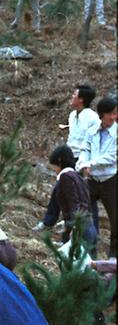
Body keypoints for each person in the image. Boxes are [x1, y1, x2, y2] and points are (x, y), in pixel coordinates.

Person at [34, 85, 100, 232]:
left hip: (84, 161)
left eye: (74, 95)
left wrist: (86, 164)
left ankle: (91, 233)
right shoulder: (72, 115)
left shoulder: (92, 118)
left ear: (81, 99)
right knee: (60, 190)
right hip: (70, 159)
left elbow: (92, 143)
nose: (71, 97)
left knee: (85, 197)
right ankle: (50, 222)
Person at [76, 97, 117, 257]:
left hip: (110, 180)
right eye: (110, 114)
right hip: (92, 180)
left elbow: (111, 157)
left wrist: (91, 163)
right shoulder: (92, 129)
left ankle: (113, 255)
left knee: (115, 219)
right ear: (101, 114)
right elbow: (85, 148)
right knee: (85, 214)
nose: (113, 117)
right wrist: (81, 163)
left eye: (115, 114)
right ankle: (88, 251)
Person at [43, 145, 97, 250]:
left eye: (54, 166)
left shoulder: (65, 177)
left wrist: (74, 225)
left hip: (81, 231)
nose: (54, 169)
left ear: (59, 161)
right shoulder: (78, 177)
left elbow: (74, 204)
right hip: (89, 228)